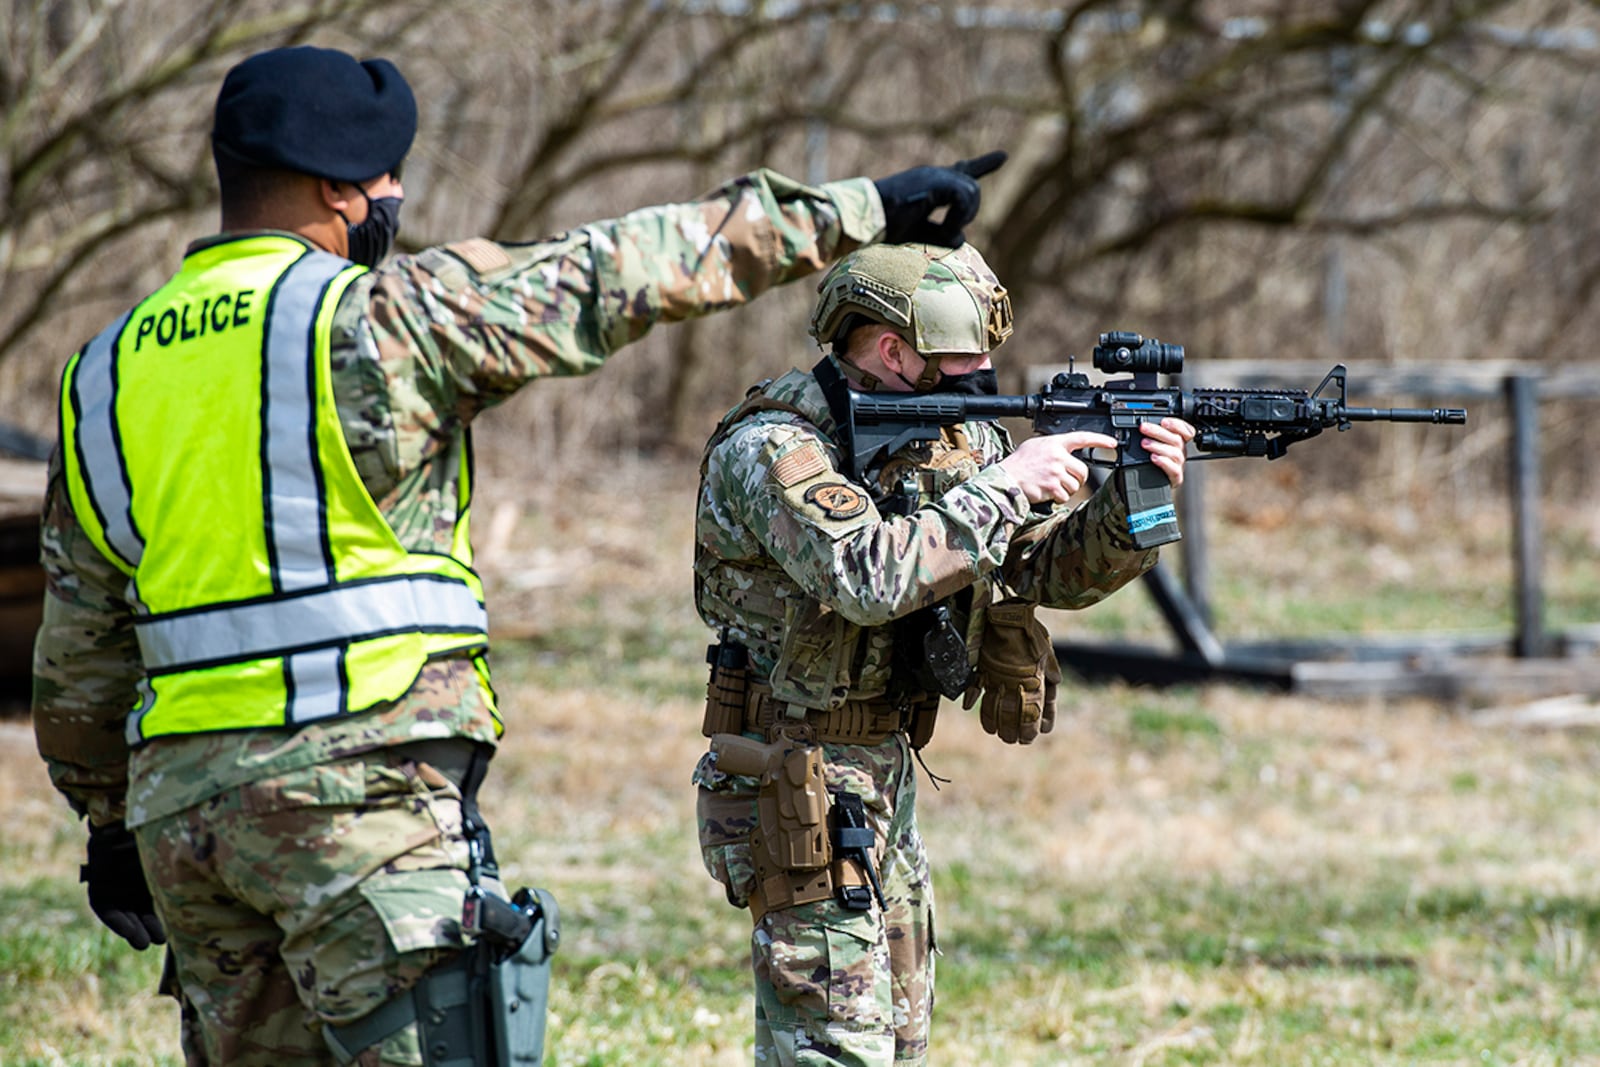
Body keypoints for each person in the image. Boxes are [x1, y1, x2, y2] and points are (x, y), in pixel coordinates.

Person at [30, 43, 1007, 1066]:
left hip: (185, 826)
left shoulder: (106, 368)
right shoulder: (378, 323)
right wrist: (860, 210)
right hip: (358, 807)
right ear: (336, 190)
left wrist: (108, 822)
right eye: (385, 178)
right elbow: (616, 269)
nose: (397, 195)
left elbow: (81, 640)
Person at [691, 241, 1196, 1065]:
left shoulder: (954, 442)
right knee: (835, 1051)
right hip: (796, 775)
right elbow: (865, 573)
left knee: (899, 1044)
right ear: (894, 351)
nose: (988, 373)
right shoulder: (774, 449)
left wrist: (1131, 499)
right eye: (967, 357)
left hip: (883, 776)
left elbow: (1044, 571)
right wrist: (1006, 486)